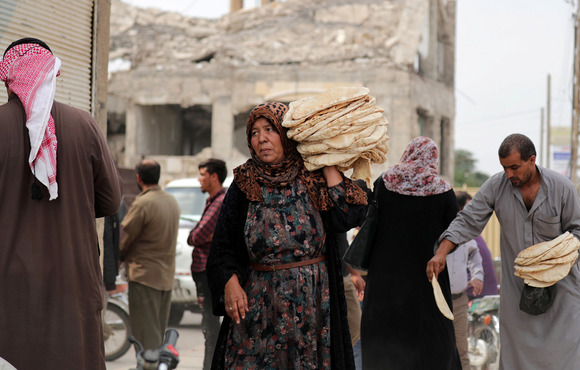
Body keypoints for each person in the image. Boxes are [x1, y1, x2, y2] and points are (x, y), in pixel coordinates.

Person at [206, 102, 367, 369]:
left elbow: (348, 216)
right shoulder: (244, 182)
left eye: (270, 129)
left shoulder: (312, 176)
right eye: (254, 132)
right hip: (258, 305)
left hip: (312, 305)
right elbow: (222, 246)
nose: (262, 138)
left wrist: (325, 160)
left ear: (287, 134)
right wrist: (230, 283)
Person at [0, 38, 122, 369]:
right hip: (74, 281)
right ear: (53, 74)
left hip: (10, 289)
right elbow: (111, 201)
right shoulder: (84, 124)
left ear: (8, 80)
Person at [427, 133, 580, 369]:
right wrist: (442, 252)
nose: (509, 174)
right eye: (504, 168)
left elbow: (577, 231)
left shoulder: (562, 188)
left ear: (532, 160)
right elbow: (467, 219)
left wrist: (549, 260)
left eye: (515, 167)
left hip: (562, 292)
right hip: (517, 292)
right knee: (516, 360)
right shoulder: (497, 186)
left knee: (564, 357)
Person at [361, 136, 461, 369]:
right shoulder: (444, 192)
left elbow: (367, 221)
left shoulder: (384, 183)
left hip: (386, 285)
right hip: (429, 283)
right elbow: (456, 233)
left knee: (384, 346)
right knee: (433, 344)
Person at [120, 159, 180, 351]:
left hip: (145, 277)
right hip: (165, 278)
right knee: (158, 332)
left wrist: (117, 259)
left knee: (146, 337)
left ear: (138, 178)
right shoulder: (171, 201)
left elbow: (126, 239)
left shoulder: (143, 203)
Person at [187, 158, 228, 370]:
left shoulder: (220, 201)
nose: (199, 179)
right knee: (210, 328)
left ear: (214, 176)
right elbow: (199, 235)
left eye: (203, 174)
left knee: (210, 329)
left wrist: (202, 236)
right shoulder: (212, 200)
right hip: (204, 271)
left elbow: (196, 236)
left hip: (207, 271)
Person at [445, 193, 484, 370]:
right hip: (437, 301)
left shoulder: (467, 233)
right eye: (468, 208)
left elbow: (474, 255)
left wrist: (477, 276)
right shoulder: (438, 228)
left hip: (459, 302)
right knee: (438, 346)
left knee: (461, 349)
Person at [454, 191, 499, 299]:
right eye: (469, 208)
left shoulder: (473, 231)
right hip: (472, 296)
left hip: (488, 296)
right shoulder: (455, 235)